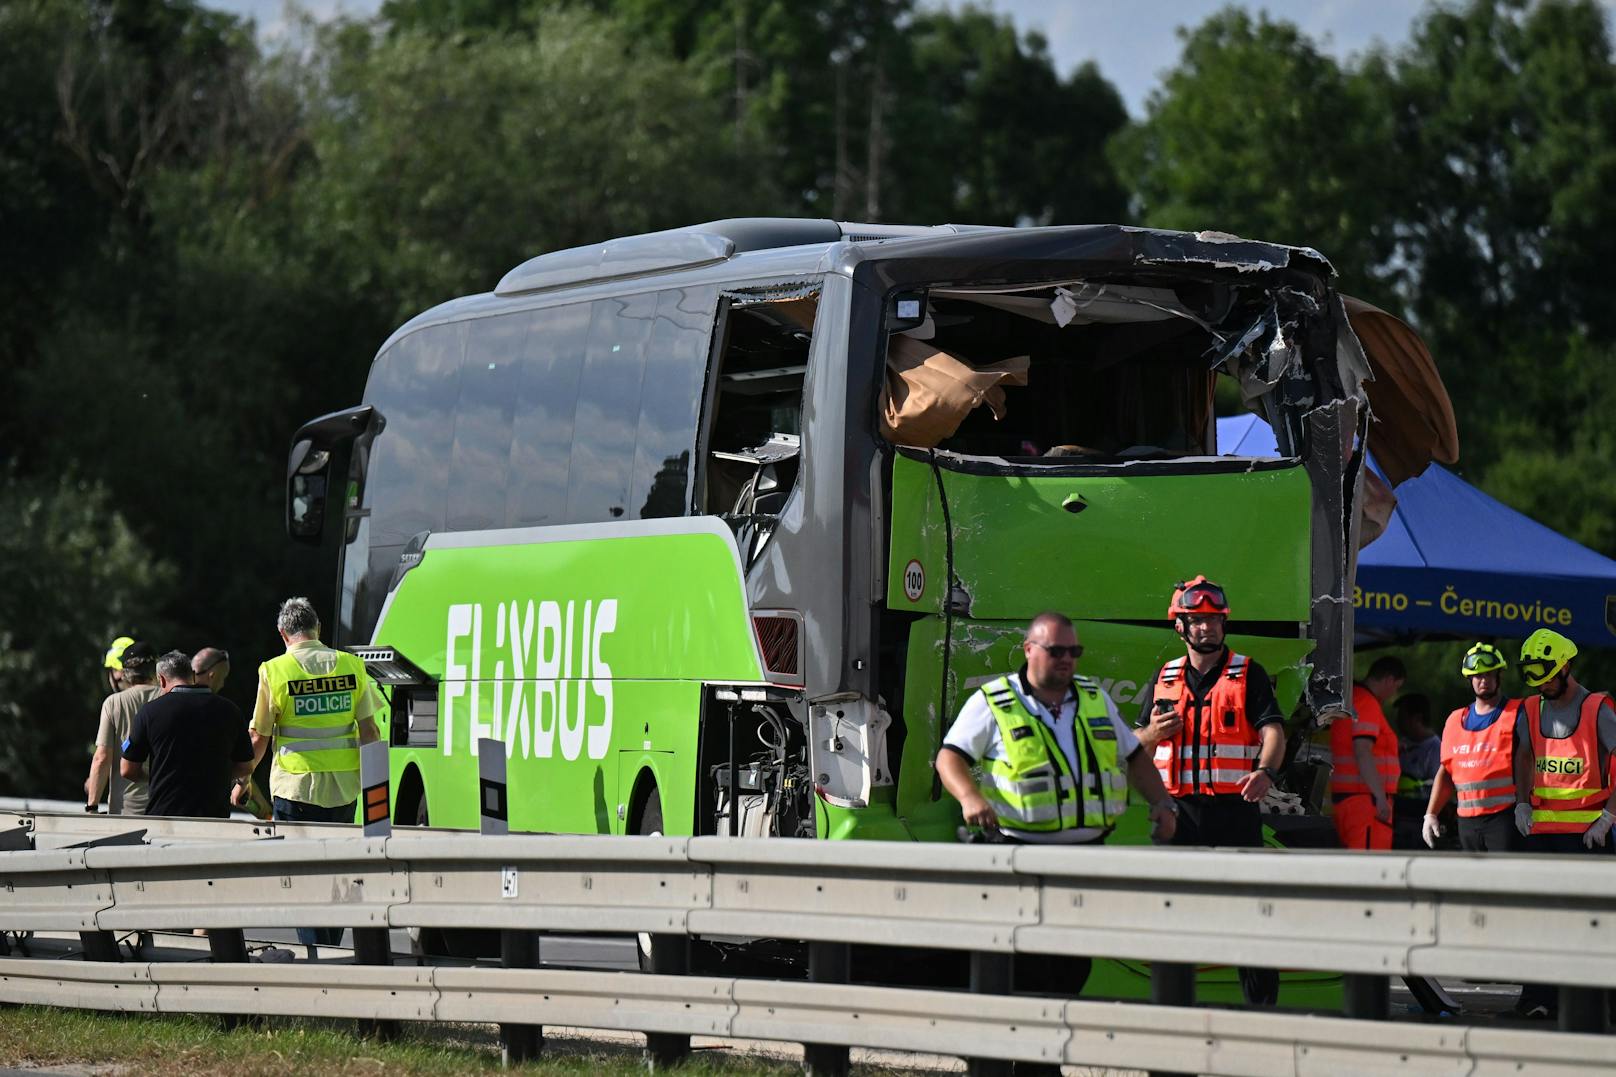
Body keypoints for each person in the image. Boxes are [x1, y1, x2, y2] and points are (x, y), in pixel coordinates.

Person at [937, 611, 1176, 999]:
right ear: (1030, 649)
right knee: (1029, 962)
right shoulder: (995, 700)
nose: (1067, 658)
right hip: (1021, 852)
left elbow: (1133, 755)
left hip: (1085, 854)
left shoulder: (1094, 697)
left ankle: (1044, 1052)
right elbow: (950, 757)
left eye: (1074, 651)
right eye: (1056, 650)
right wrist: (969, 797)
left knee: (1073, 960)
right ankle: (1029, 1057)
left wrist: (1162, 803)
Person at [1134, 575, 1286, 1006]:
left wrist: (1265, 772)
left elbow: (1273, 731)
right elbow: (1134, 746)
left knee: (1252, 914)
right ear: (1180, 626)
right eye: (1196, 620)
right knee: (1171, 914)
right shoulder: (1164, 676)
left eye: (1214, 619)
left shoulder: (1247, 672)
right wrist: (1151, 733)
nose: (1207, 627)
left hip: (1233, 811)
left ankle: (1262, 1014)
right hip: (1177, 812)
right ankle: (1172, 1010)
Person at [248, 597, 380, 947]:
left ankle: (314, 955)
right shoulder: (352, 666)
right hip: (344, 789)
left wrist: (243, 778)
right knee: (337, 875)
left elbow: (259, 737)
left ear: (283, 633)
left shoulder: (274, 671)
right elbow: (370, 732)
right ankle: (331, 948)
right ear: (317, 628)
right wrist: (375, 789)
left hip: (295, 790)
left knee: (301, 877)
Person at [1510, 628, 1614, 1019]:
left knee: (1593, 926)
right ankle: (1538, 999)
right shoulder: (1531, 707)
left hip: (1587, 838)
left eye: (1548, 677)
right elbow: (1524, 753)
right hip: (1541, 834)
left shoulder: (1598, 708)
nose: (1543, 687)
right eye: (1536, 679)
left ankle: (1597, 1005)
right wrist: (1523, 803)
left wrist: (1607, 819)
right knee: (1541, 922)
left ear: (1566, 667)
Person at [119, 651, 255, 818]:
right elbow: (246, 766)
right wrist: (215, 776)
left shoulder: (150, 712)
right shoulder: (230, 710)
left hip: (164, 813)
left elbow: (127, 770)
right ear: (192, 675)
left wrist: (160, 776)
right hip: (214, 816)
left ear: (161, 680)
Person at [1421, 644, 1521, 852]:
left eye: (1488, 674)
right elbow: (1446, 772)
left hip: (1504, 818)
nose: (1483, 680)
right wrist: (1431, 813)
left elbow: (1528, 762)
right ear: (1469, 679)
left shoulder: (1517, 714)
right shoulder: (1455, 719)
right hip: (1466, 821)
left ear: (1498, 675)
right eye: (1477, 675)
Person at [1330, 655, 1403, 851]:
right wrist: (1379, 796)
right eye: (1397, 686)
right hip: (1365, 801)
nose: (1394, 693)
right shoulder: (1367, 703)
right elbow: (1362, 750)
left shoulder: (1354, 699)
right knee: (1370, 867)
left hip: (1351, 799)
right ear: (1389, 680)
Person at [84, 637, 159, 815]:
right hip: (164, 805)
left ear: (122, 672)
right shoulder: (169, 698)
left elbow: (101, 758)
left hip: (125, 810)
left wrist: (92, 807)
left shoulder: (113, 703)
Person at [1392, 693, 1440, 848]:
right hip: (1397, 817)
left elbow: (1438, 787)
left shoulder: (1436, 749)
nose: (1398, 723)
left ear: (1417, 718)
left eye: (1403, 717)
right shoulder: (1401, 745)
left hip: (1418, 822)